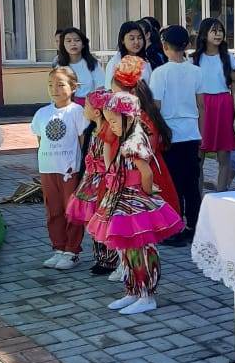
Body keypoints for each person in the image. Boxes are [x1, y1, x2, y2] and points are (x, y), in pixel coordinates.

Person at [88, 92, 183, 315]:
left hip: (134, 200)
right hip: (121, 198)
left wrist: (147, 193)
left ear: (129, 118)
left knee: (141, 248)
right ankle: (132, 290)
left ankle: (147, 294)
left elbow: (146, 173)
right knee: (126, 247)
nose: (111, 126)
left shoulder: (134, 142)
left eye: (114, 121)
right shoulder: (124, 138)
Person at [150, 25, 204, 247]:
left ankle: (175, 228)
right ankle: (195, 226)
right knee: (191, 183)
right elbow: (201, 105)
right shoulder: (196, 71)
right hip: (191, 133)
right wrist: (201, 133)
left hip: (169, 134)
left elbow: (155, 107)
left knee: (173, 184)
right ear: (187, 45)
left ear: (164, 46)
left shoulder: (160, 73)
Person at [32, 67, 89, 271]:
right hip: (48, 169)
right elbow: (40, 141)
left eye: (60, 85)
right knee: (53, 210)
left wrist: (83, 171)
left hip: (70, 171)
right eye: (50, 85)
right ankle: (58, 247)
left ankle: (72, 251)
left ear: (73, 87)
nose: (54, 89)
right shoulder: (42, 113)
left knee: (72, 210)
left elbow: (83, 142)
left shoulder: (77, 112)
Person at [110, 55, 181, 216]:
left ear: (132, 93)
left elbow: (146, 153)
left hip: (142, 176)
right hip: (131, 173)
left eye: (116, 93)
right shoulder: (130, 117)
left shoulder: (142, 119)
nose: (114, 98)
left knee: (145, 220)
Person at [66, 89, 121, 278]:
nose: (84, 109)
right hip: (90, 181)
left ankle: (110, 259)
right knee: (93, 221)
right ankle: (101, 258)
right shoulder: (93, 131)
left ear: (97, 112)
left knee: (104, 219)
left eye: (87, 106)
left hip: (103, 181)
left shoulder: (108, 133)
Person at [193, 17, 235, 191]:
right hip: (202, 108)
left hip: (224, 107)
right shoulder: (194, 59)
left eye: (221, 31)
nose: (218, 34)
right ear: (204, 34)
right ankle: (199, 199)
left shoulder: (228, 58)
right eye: (214, 31)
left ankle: (221, 193)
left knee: (224, 157)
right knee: (198, 157)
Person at [54, 27, 105, 105]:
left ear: (83, 44)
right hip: (67, 107)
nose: (73, 44)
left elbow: (101, 87)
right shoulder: (59, 67)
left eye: (77, 40)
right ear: (63, 45)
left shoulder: (92, 63)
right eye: (68, 41)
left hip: (90, 106)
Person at [104, 21, 152, 88]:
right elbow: (109, 89)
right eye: (132, 38)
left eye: (139, 38)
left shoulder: (145, 61)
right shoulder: (115, 63)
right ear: (122, 40)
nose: (136, 42)